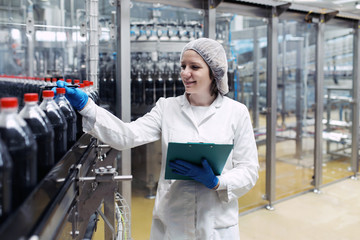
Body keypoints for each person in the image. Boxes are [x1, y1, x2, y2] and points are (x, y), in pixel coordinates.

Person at [56, 37, 259, 239]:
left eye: (194, 67)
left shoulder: (236, 112)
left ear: (214, 72)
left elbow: (249, 169)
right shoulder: (167, 107)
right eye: (183, 66)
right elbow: (127, 136)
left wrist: (217, 182)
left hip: (217, 224)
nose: (185, 73)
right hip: (174, 219)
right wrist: (88, 108)